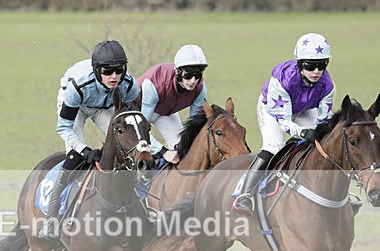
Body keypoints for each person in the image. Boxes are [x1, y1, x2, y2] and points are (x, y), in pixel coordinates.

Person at [40, 40, 174, 239]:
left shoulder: (128, 84)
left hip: (102, 108)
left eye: (119, 70)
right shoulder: (79, 85)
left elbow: (134, 125)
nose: (114, 77)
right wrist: (84, 150)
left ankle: (142, 212)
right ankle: (51, 219)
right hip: (76, 106)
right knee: (75, 158)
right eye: (107, 71)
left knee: (125, 150)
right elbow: (64, 127)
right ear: (96, 70)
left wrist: (150, 148)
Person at [232, 32, 335, 216]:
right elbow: (284, 121)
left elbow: (324, 119)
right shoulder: (282, 78)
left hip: (303, 108)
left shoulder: (328, 85)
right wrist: (303, 133)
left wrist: (318, 132)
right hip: (273, 110)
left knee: (321, 144)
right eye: (311, 66)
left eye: (322, 65)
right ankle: (244, 194)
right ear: (300, 63)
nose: (317, 71)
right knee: (274, 145)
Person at [138, 44, 208, 152]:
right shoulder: (153, 85)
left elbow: (194, 128)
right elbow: (138, 129)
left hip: (165, 112)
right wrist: (162, 151)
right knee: (143, 150)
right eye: (188, 75)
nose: (193, 81)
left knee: (182, 149)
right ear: (177, 71)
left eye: (197, 75)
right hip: (138, 112)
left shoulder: (200, 90)